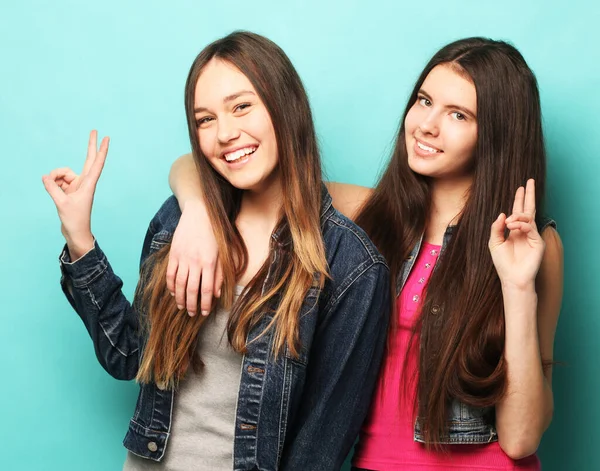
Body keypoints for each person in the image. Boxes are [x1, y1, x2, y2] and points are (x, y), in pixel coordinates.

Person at [166, 37, 564, 470]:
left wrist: (517, 285)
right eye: (424, 101)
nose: (426, 125)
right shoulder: (369, 214)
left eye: (457, 114)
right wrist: (199, 213)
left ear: (497, 133)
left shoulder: (532, 244)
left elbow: (521, 438)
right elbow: (199, 165)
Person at [42, 31, 390, 471]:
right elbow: (130, 356)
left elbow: (321, 445)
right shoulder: (178, 223)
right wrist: (80, 240)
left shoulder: (350, 264)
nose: (225, 133)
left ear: (285, 107)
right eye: (205, 119)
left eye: (241, 106)